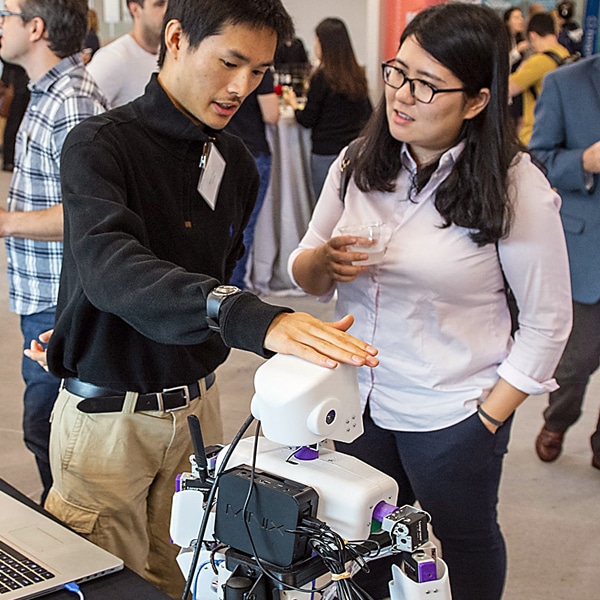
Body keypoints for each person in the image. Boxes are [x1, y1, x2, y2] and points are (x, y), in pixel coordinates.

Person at [43, 1, 379, 598]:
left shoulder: (235, 162)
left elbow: (204, 275)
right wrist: (250, 316)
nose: (241, 87)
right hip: (107, 423)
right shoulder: (99, 145)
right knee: (102, 585)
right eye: (230, 63)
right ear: (176, 38)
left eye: (259, 72)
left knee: (199, 580)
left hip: (201, 416)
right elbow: (110, 265)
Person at [288, 4, 572, 600]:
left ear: (476, 101)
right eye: (398, 73)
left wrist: (487, 418)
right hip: (357, 399)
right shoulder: (358, 160)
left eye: (426, 85)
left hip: (451, 411)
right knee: (358, 543)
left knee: (463, 541)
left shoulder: (517, 188)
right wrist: (323, 263)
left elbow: (548, 322)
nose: (402, 96)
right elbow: (306, 265)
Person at [0, 0, 107, 505]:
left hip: (58, 301)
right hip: (40, 294)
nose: (0, 24)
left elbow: (90, 212)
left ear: (35, 27)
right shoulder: (46, 93)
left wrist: (4, 222)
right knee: (43, 432)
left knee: (55, 439)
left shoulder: (73, 99)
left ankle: (78, 555)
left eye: (6, 13)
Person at [529, 55, 600, 467]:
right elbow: (537, 159)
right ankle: (558, 419)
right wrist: (584, 162)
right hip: (587, 246)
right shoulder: (565, 82)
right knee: (578, 360)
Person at [282, 17, 372, 202]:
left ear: (324, 44)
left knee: (326, 211)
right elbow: (368, 114)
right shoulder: (357, 74)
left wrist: (292, 104)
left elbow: (307, 119)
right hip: (355, 153)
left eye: (316, 41)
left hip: (325, 154)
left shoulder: (321, 78)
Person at [226, 67, 279, 289]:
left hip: (222, 149)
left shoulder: (221, 64)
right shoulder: (259, 70)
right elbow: (272, 114)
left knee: (225, 226)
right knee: (243, 228)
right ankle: (234, 289)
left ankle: (223, 287)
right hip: (252, 152)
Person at [86, 0, 167, 107]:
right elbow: (83, 110)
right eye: (159, 4)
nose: (167, 11)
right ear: (135, 9)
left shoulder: (171, 55)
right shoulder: (112, 59)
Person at [509, 12, 571, 145]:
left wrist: (520, 69)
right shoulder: (564, 54)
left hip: (534, 135)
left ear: (533, 35)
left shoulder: (539, 61)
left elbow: (507, 88)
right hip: (557, 132)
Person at [0, 61, 29, 171]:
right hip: (14, 85)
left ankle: (14, 159)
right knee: (13, 123)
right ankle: (9, 159)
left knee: (21, 123)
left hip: (24, 85)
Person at [504, 7, 528, 128]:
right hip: (508, 90)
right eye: (516, 18)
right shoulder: (503, 41)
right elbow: (502, 63)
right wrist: (517, 51)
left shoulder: (521, 39)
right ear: (507, 21)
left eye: (521, 17)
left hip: (519, 88)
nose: (520, 20)